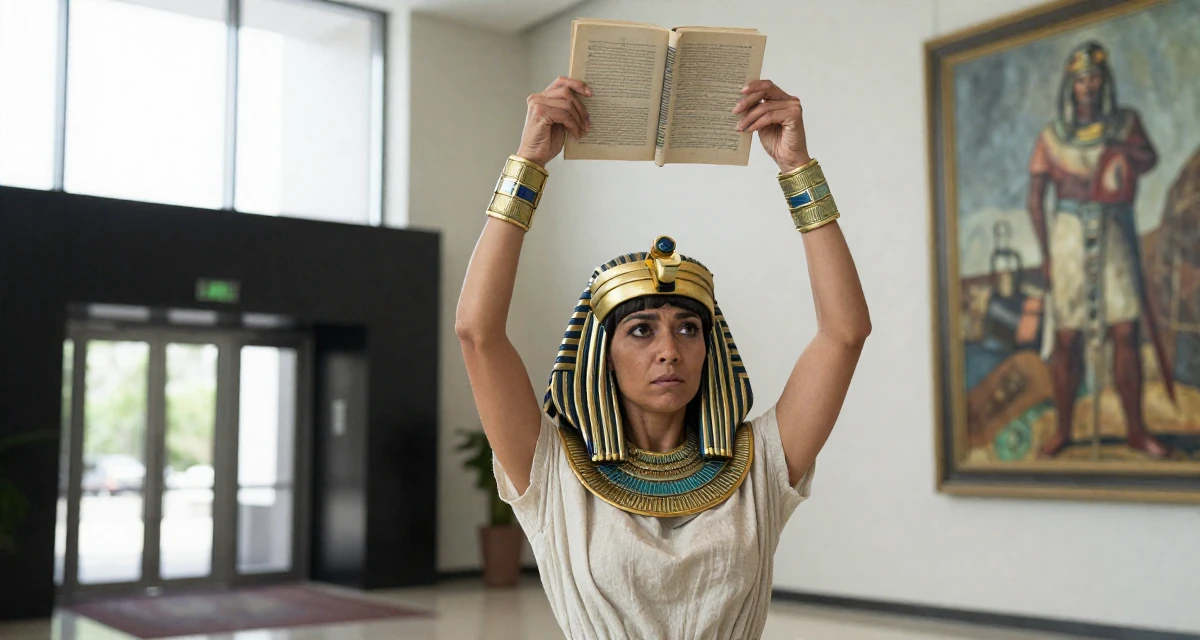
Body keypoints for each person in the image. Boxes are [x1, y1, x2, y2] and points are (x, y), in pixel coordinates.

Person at [456, 75, 870, 638]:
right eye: (641, 331)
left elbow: (844, 334)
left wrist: (796, 168)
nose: (669, 351)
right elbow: (479, 334)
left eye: (688, 329)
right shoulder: (553, 472)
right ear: (602, 352)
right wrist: (529, 163)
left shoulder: (759, 466)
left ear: (711, 348)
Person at [1026, 41, 1174, 458]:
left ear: (1103, 82)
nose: (1087, 87)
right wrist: (1048, 256)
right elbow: (1036, 199)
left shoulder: (1125, 123)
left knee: (1125, 328)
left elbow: (1147, 159)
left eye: (1094, 78)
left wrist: (1120, 153)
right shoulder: (1051, 137)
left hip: (1114, 230)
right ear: (1070, 86)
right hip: (1069, 234)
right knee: (1068, 334)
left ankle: (1135, 429)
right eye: (1080, 80)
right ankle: (1065, 430)